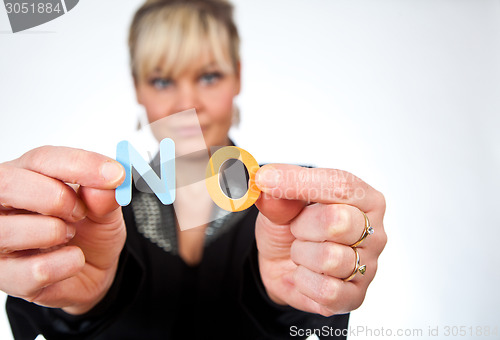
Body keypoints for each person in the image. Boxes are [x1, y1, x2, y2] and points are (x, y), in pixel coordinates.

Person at [1, 0, 387, 339]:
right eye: (163, 80)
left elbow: (323, 324)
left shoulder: (294, 203)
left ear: (237, 76)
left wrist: (320, 282)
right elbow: (36, 321)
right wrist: (79, 303)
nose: (187, 103)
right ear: (138, 88)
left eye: (208, 76)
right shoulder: (93, 207)